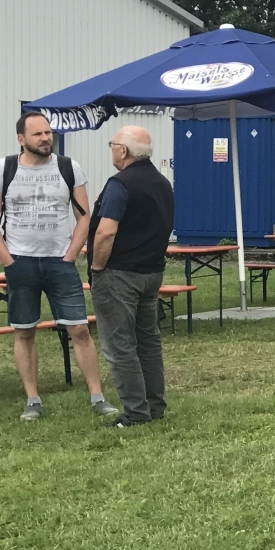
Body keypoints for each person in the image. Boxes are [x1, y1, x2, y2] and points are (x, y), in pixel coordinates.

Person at [0, 112, 117, 422]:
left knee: (79, 329)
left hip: (60, 262)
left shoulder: (69, 168)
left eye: (47, 132)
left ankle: (97, 396)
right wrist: (8, 261)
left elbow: (84, 217)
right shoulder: (3, 169)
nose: (45, 138)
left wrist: (71, 254)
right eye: (37, 134)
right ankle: (33, 399)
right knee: (24, 331)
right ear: (21, 139)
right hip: (20, 262)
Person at [88, 125, 175, 428]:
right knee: (148, 341)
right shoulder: (163, 183)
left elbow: (106, 232)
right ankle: (155, 405)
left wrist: (97, 268)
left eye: (113, 145)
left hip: (119, 274)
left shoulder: (120, 184)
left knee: (120, 344)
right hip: (151, 272)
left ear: (123, 151)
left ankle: (136, 411)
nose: (112, 150)